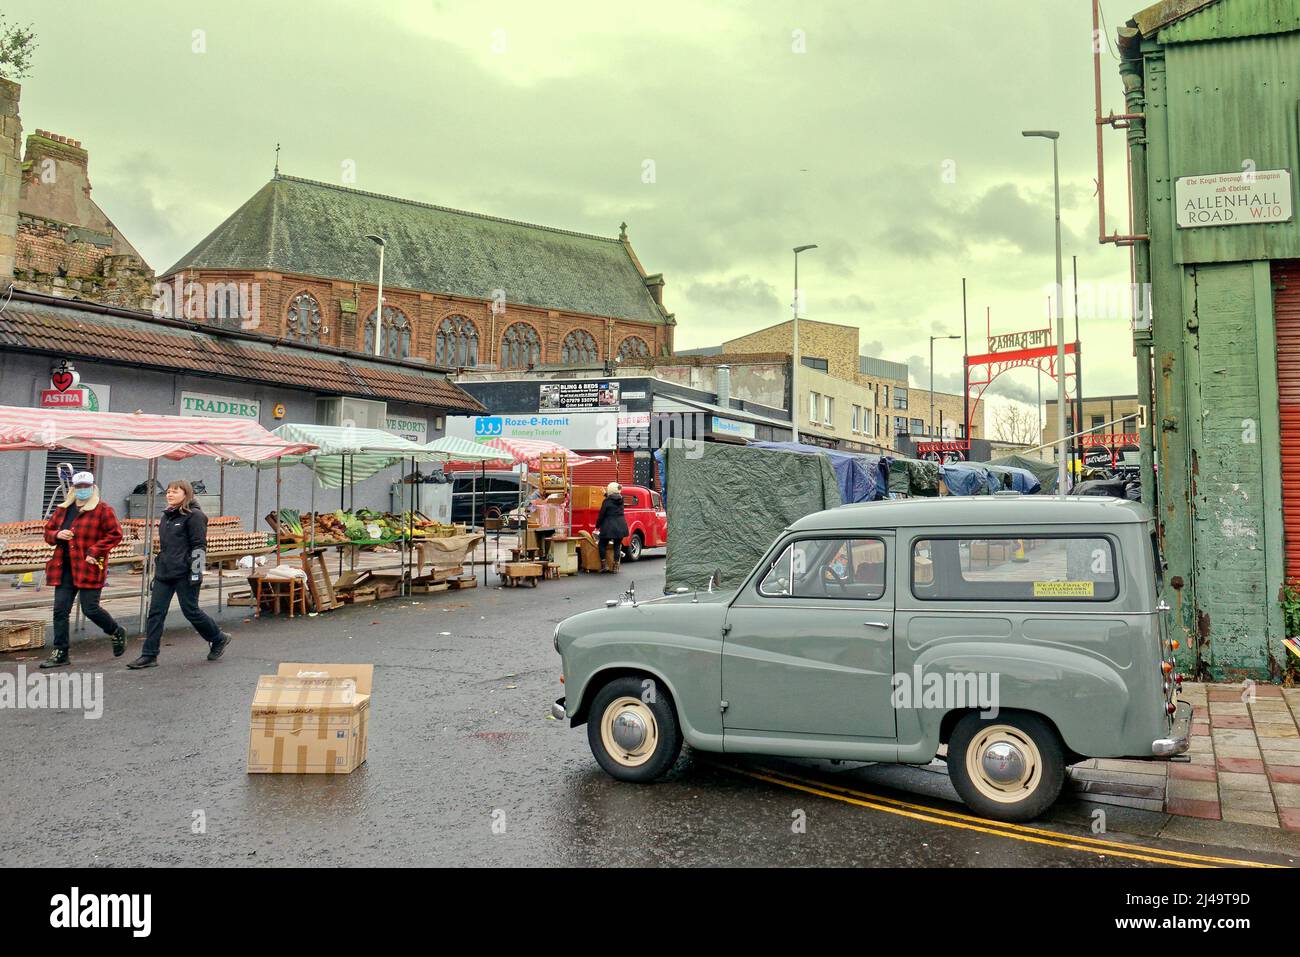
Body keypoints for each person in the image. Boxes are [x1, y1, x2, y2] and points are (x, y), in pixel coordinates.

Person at [127, 480, 231, 669]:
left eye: (175, 491)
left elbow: (199, 546)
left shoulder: (195, 516)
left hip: (185, 572)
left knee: (191, 611)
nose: (170, 494)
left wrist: (195, 573)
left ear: (186, 494)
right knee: (156, 613)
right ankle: (149, 655)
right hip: (165, 573)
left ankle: (218, 638)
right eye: (168, 491)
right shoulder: (167, 516)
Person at [39, 471, 128, 668]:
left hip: (88, 566)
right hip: (64, 567)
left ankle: (115, 630)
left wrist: (95, 550)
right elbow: (48, 532)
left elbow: (115, 534)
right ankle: (60, 651)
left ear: (93, 487)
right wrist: (57, 534)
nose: (82, 491)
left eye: (86, 487)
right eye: (78, 487)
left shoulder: (103, 510)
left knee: (91, 609)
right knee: (60, 610)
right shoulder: (63, 509)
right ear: (73, 488)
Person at [595, 481, 628, 574]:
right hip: (620, 526)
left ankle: (604, 565)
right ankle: (615, 567)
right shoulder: (621, 500)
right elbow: (613, 501)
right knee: (617, 546)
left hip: (608, 526)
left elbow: (601, 515)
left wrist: (597, 526)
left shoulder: (606, 501)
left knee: (602, 544)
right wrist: (605, 494)